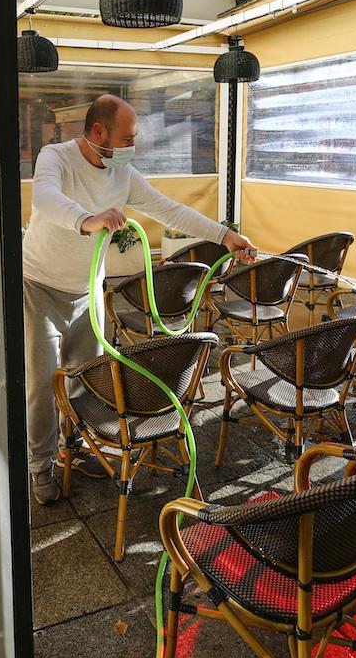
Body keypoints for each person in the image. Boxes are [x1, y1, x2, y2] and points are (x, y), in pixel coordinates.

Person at [22, 94, 255, 505]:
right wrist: (86, 220)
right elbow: (44, 198)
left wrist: (224, 235)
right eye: (127, 137)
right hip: (40, 286)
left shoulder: (123, 173)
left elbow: (169, 210)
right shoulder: (55, 157)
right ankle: (39, 466)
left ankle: (73, 450)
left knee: (86, 378)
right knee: (42, 385)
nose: (133, 145)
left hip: (86, 290)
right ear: (98, 132)